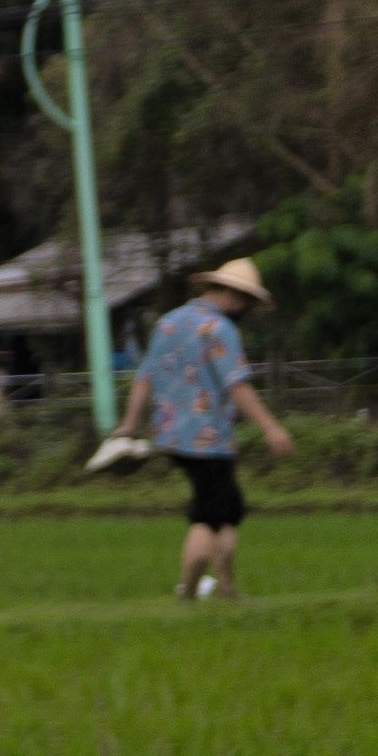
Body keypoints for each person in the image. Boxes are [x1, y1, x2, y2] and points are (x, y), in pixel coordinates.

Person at [122, 255, 291, 598]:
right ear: (236, 296)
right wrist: (271, 428)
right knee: (209, 516)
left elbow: (144, 379)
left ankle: (226, 588)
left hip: (171, 436)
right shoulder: (221, 329)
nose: (246, 310)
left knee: (229, 508)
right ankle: (190, 591)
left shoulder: (168, 323)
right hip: (208, 440)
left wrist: (128, 427)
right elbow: (237, 385)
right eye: (247, 303)